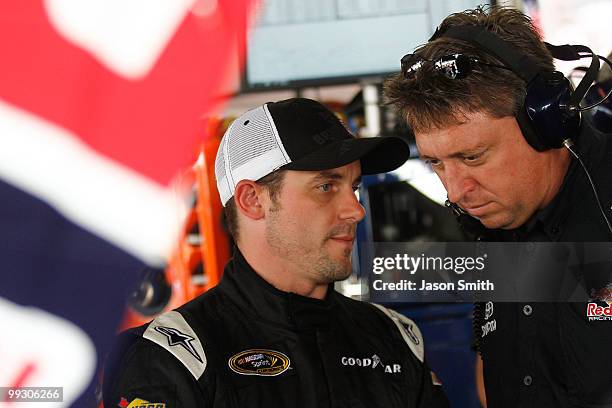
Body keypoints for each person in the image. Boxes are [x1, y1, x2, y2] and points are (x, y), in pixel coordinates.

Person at [103, 98, 449, 408]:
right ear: (253, 200)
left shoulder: (395, 337)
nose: (355, 210)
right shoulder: (173, 356)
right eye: (326, 186)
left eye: (354, 186)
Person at [384, 6, 612, 408]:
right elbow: (497, 367)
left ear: (547, 122)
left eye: (472, 157)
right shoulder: (495, 221)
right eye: (436, 163)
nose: (455, 192)